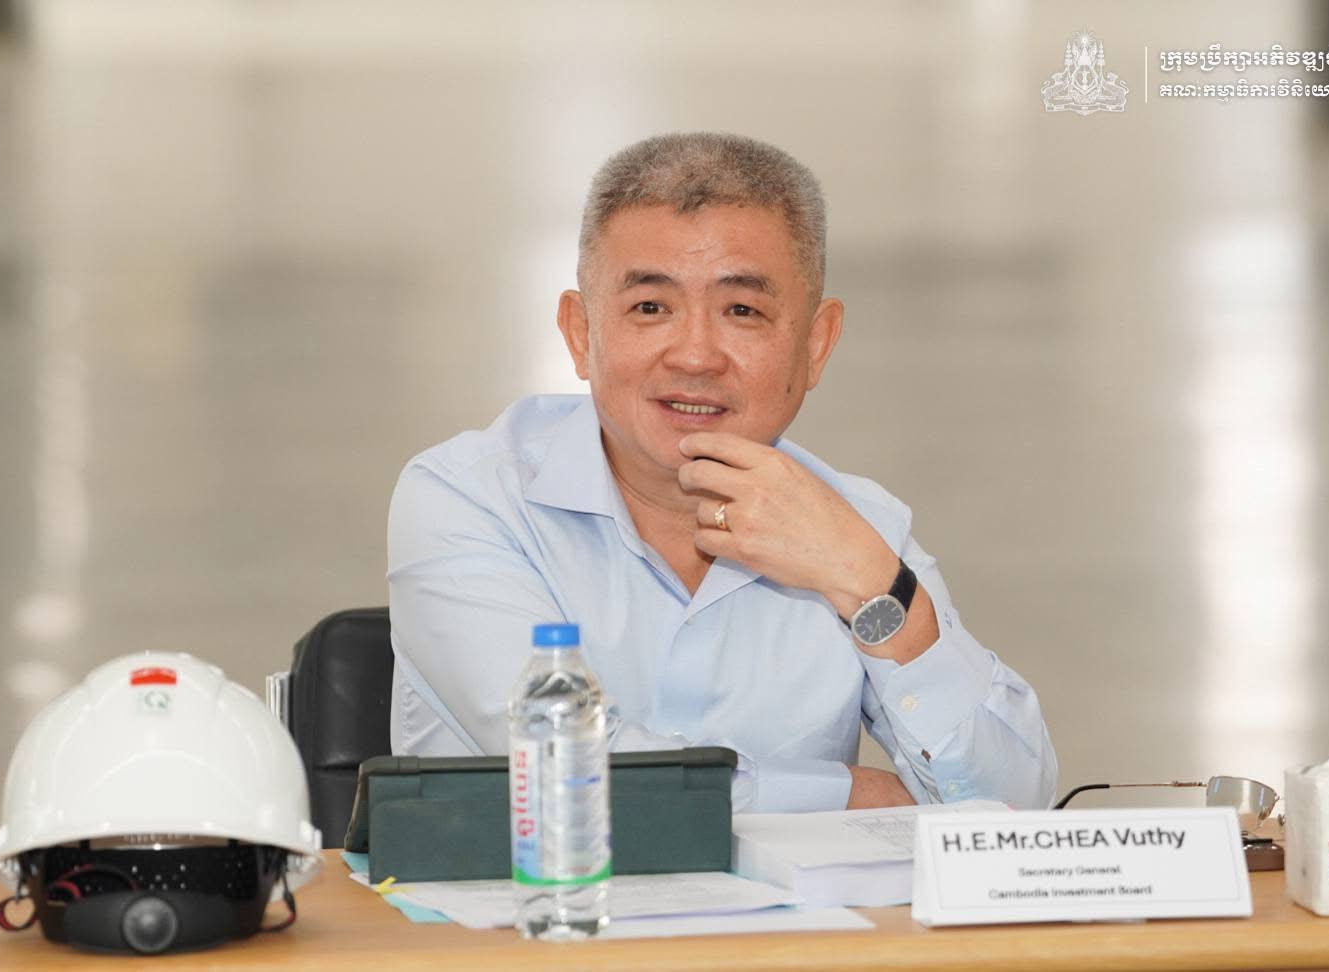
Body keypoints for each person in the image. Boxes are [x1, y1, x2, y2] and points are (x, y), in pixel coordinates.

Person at [388, 132, 1057, 813]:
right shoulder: (469, 498)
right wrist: (842, 795)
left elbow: (1012, 810)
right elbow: (570, 775)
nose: (696, 355)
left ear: (816, 345)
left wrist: (869, 584)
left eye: (742, 311)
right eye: (650, 307)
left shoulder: (857, 525)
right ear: (581, 333)